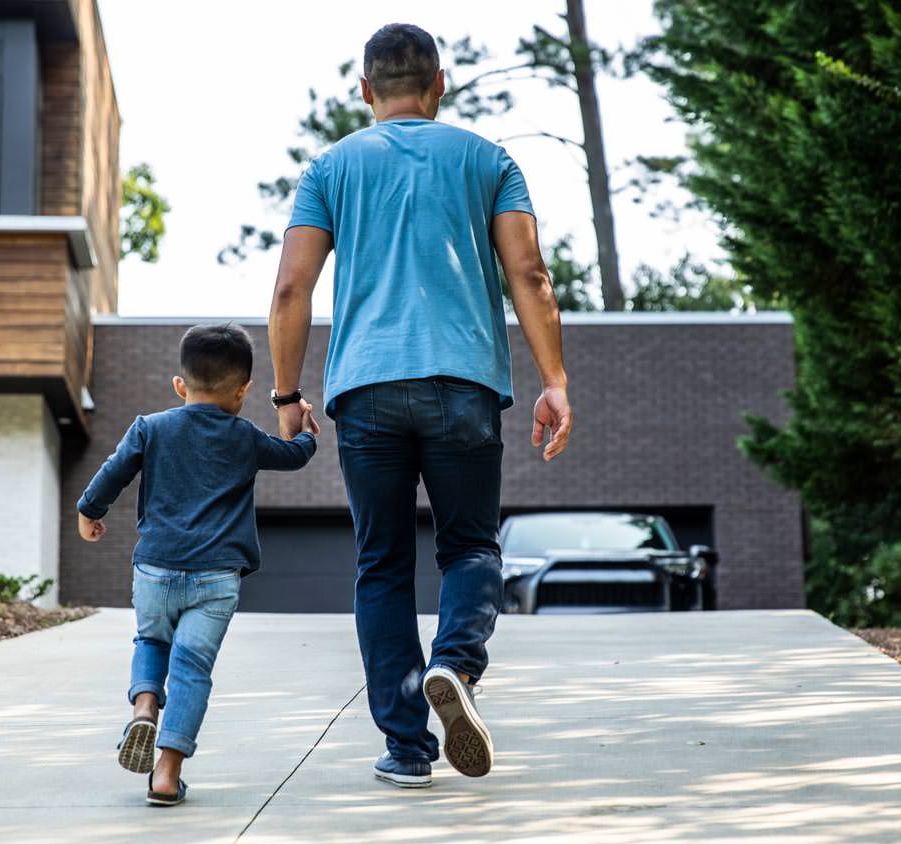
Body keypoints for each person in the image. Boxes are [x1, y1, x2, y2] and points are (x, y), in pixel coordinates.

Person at [267, 23, 573, 788]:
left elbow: (290, 290)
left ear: (366, 90)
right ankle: (457, 668)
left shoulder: (330, 168)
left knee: (382, 567)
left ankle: (407, 750)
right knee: (470, 547)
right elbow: (529, 274)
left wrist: (285, 395)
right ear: (441, 84)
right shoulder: (488, 159)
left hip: (365, 391)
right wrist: (555, 380)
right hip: (463, 383)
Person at [76, 323, 318, 807]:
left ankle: (144, 706)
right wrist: (305, 433)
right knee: (192, 669)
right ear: (244, 389)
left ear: (180, 385)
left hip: (156, 569)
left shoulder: (151, 427)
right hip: (216, 578)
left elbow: (113, 471)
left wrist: (89, 511)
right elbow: (292, 456)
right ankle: (166, 774)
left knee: (150, 639)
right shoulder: (246, 436)